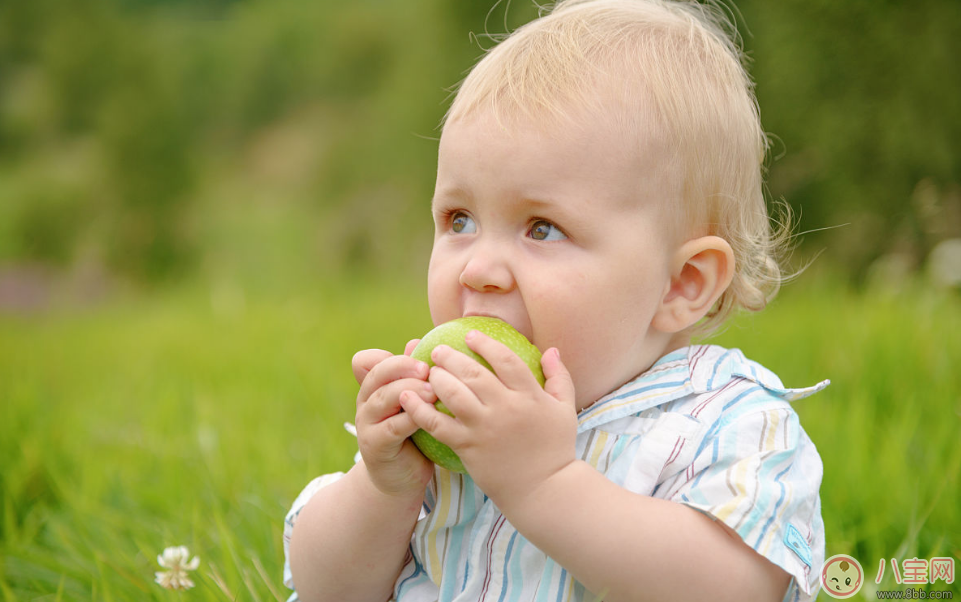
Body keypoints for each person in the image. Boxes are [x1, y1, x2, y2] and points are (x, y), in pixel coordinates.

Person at [284, 0, 828, 600]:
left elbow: (732, 588)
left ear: (682, 284)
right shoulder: (448, 420)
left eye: (542, 229)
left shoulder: (726, 426)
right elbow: (324, 589)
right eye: (460, 219)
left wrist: (543, 483)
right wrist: (383, 487)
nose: (479, 269)